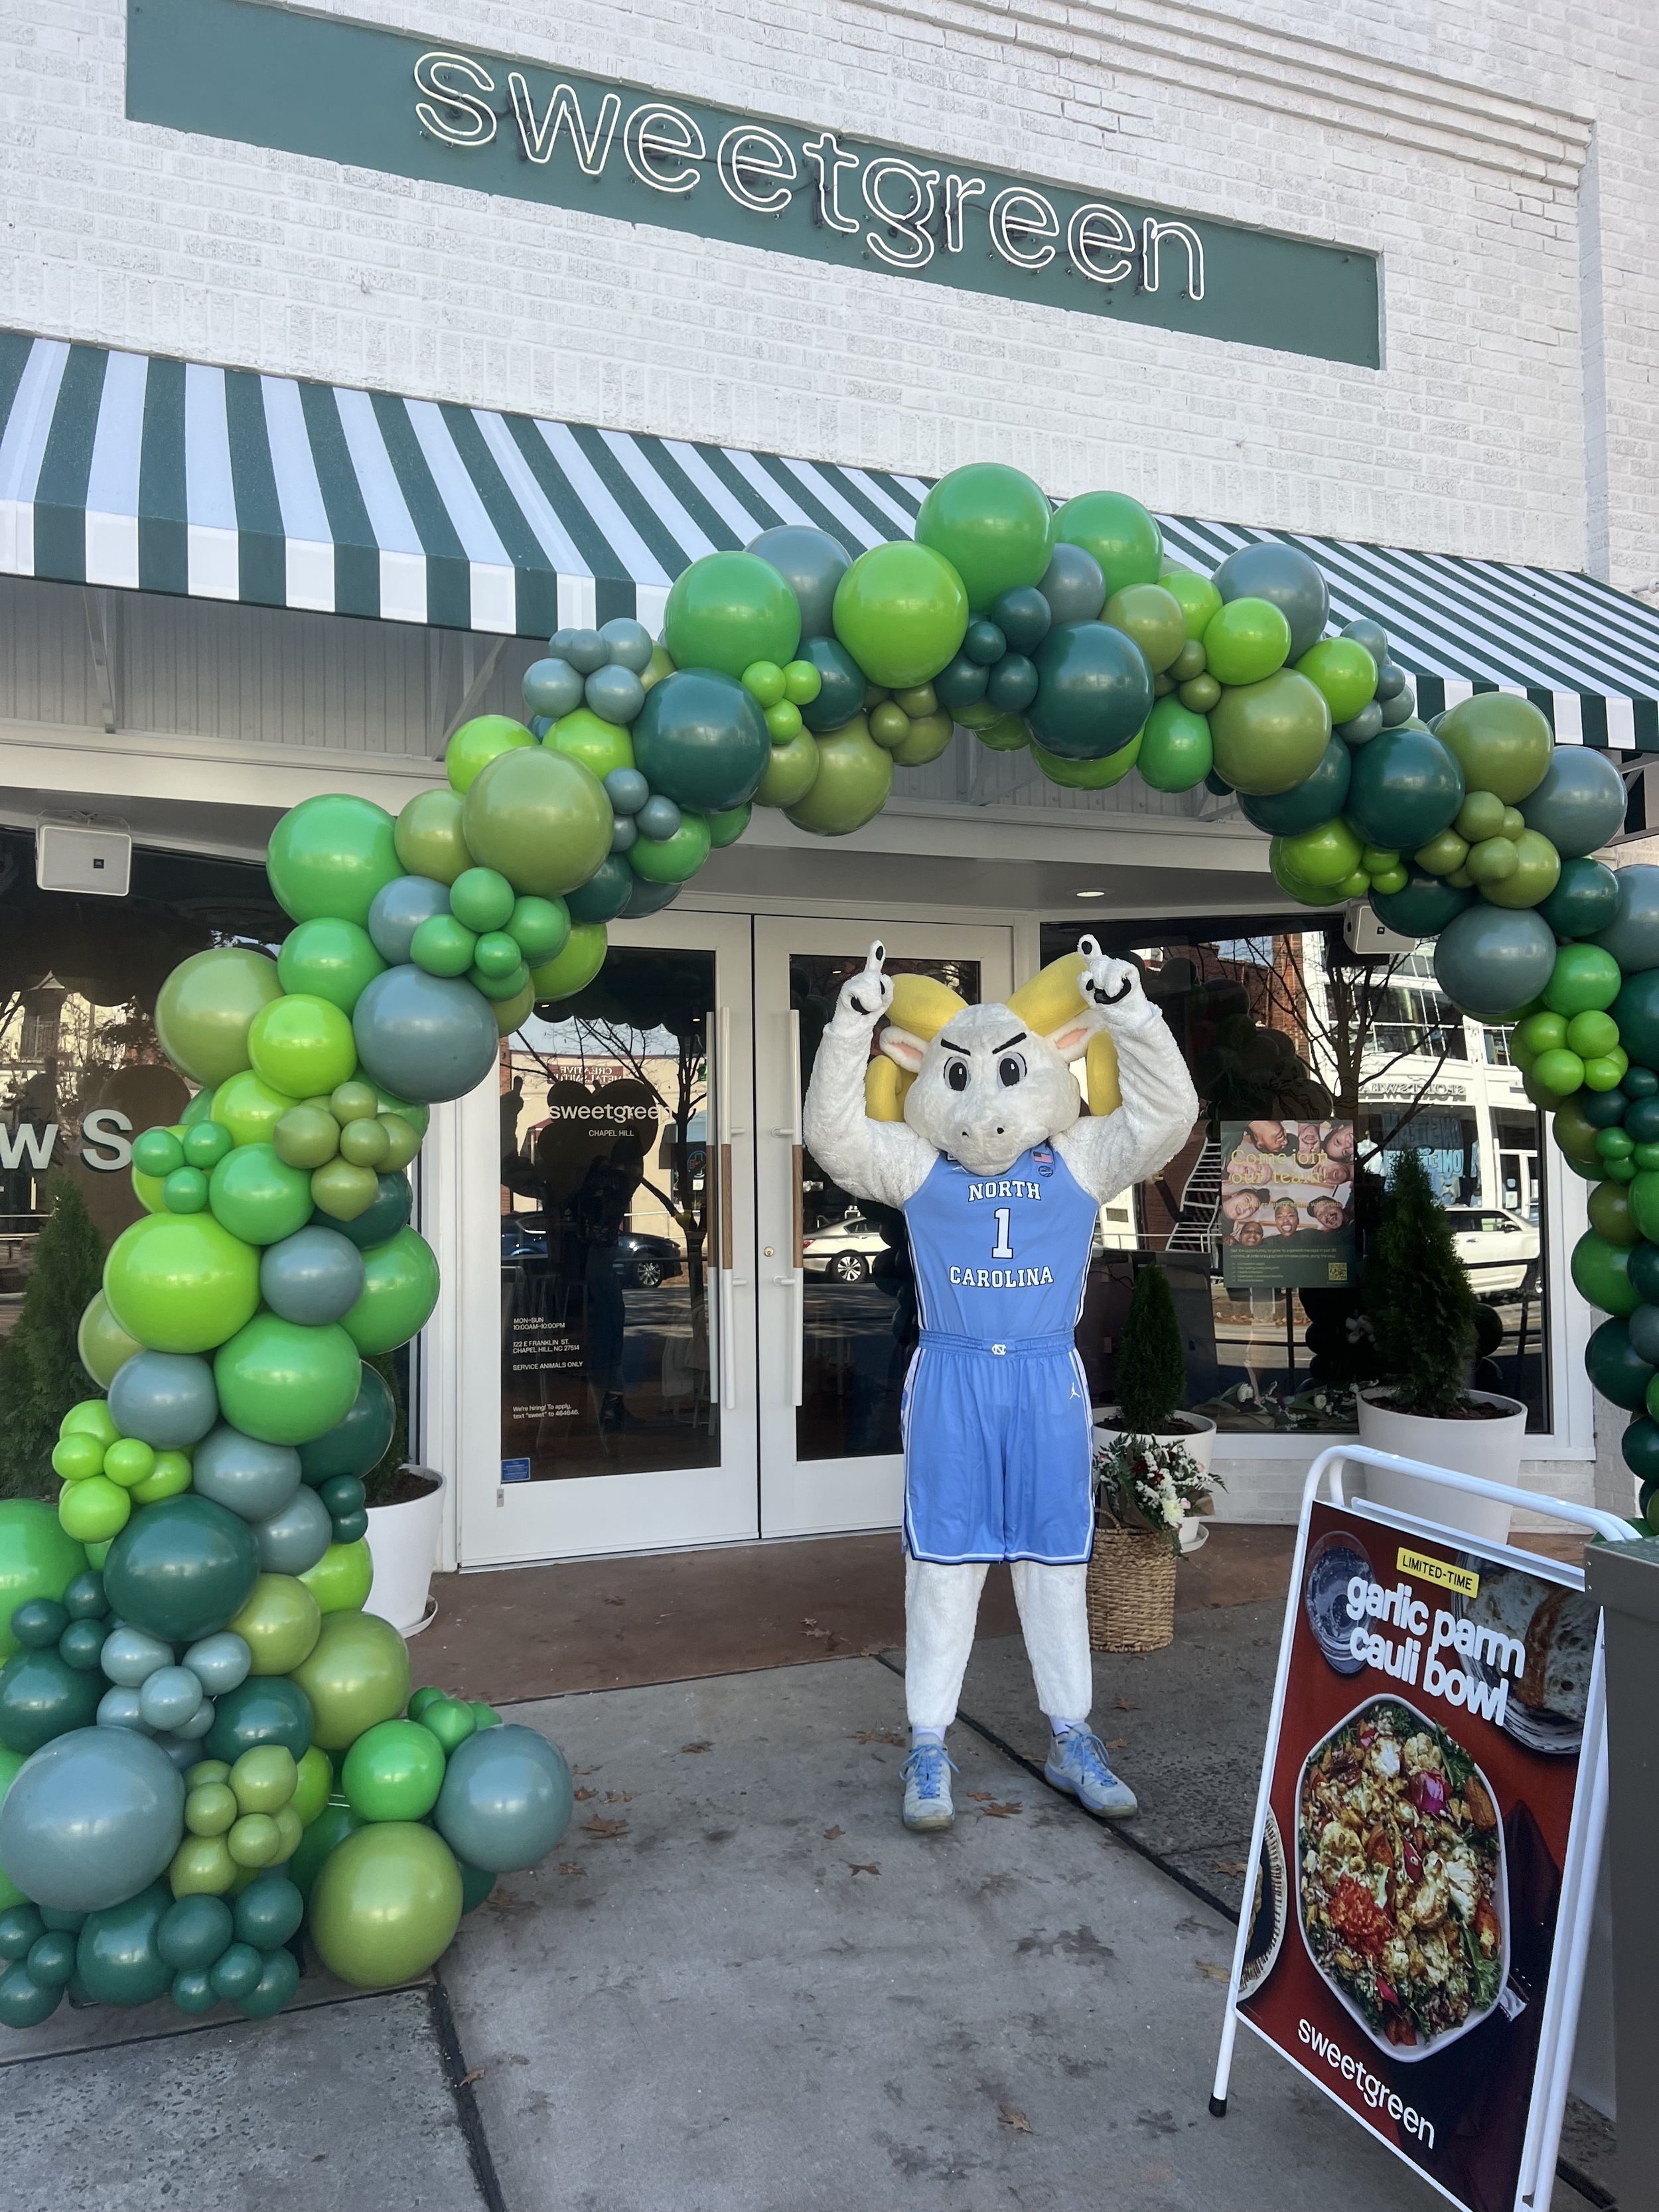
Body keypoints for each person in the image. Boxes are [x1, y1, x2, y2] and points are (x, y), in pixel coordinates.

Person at [803, 940, 1197, 1835]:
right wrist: (848, 1028)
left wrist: (1133, 1012)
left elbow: (1169, 1117)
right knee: (943, 1561)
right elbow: (833, 1138)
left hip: (1045, 1382)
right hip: (949, 1378)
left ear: (1055, 1065)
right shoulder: (916, 1164)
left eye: (1010, 1078)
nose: (984, 1114)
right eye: (962, 1082)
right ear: (923, 1076)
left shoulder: (1082, 1159)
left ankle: (1071, 1734)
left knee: (1055, 1558)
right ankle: (929, 1744)